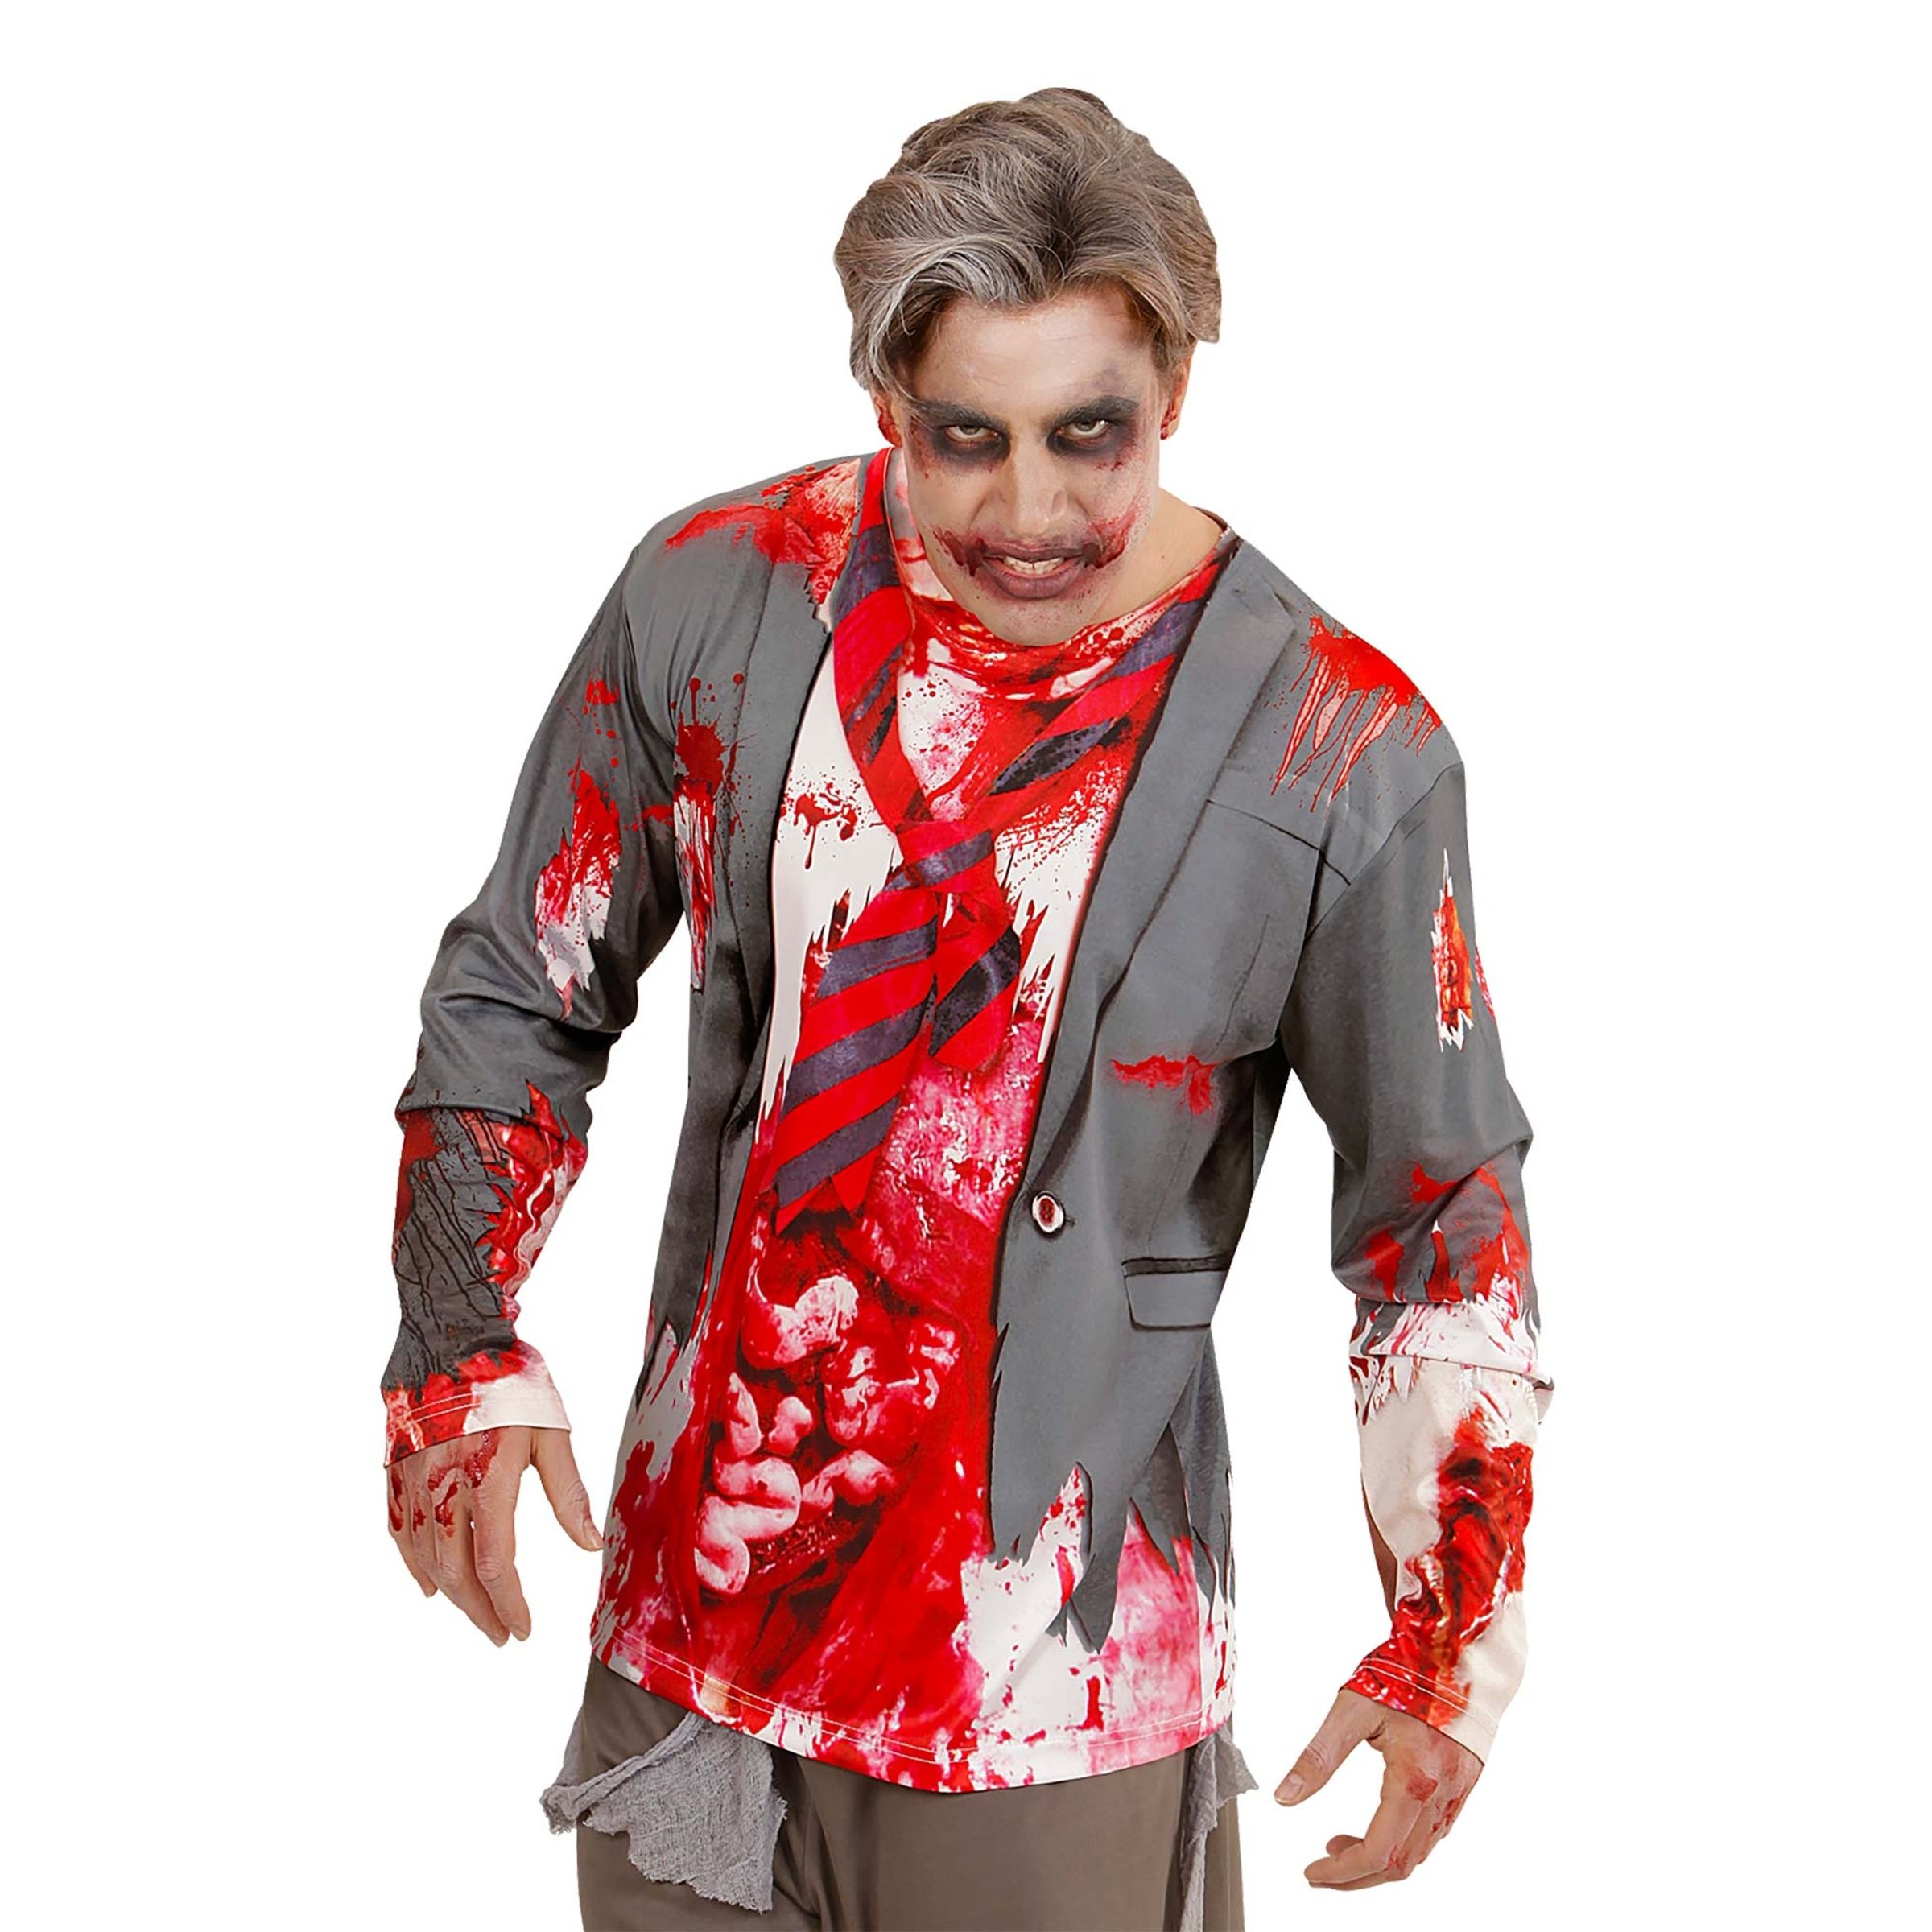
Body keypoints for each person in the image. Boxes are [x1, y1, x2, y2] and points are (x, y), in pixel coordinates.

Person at [379, 86, 1556, 1931]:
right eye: (966, 438)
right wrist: (457, 1339)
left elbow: (1442, 1215)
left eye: (1092, 434)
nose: (1030, 511)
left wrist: (1447, 1636)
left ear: (1176, 386)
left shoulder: (1338, 747)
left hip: (1045, 1697)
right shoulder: (722, 593)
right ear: (887, 405)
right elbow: (525, 979)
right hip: (692, 1659)